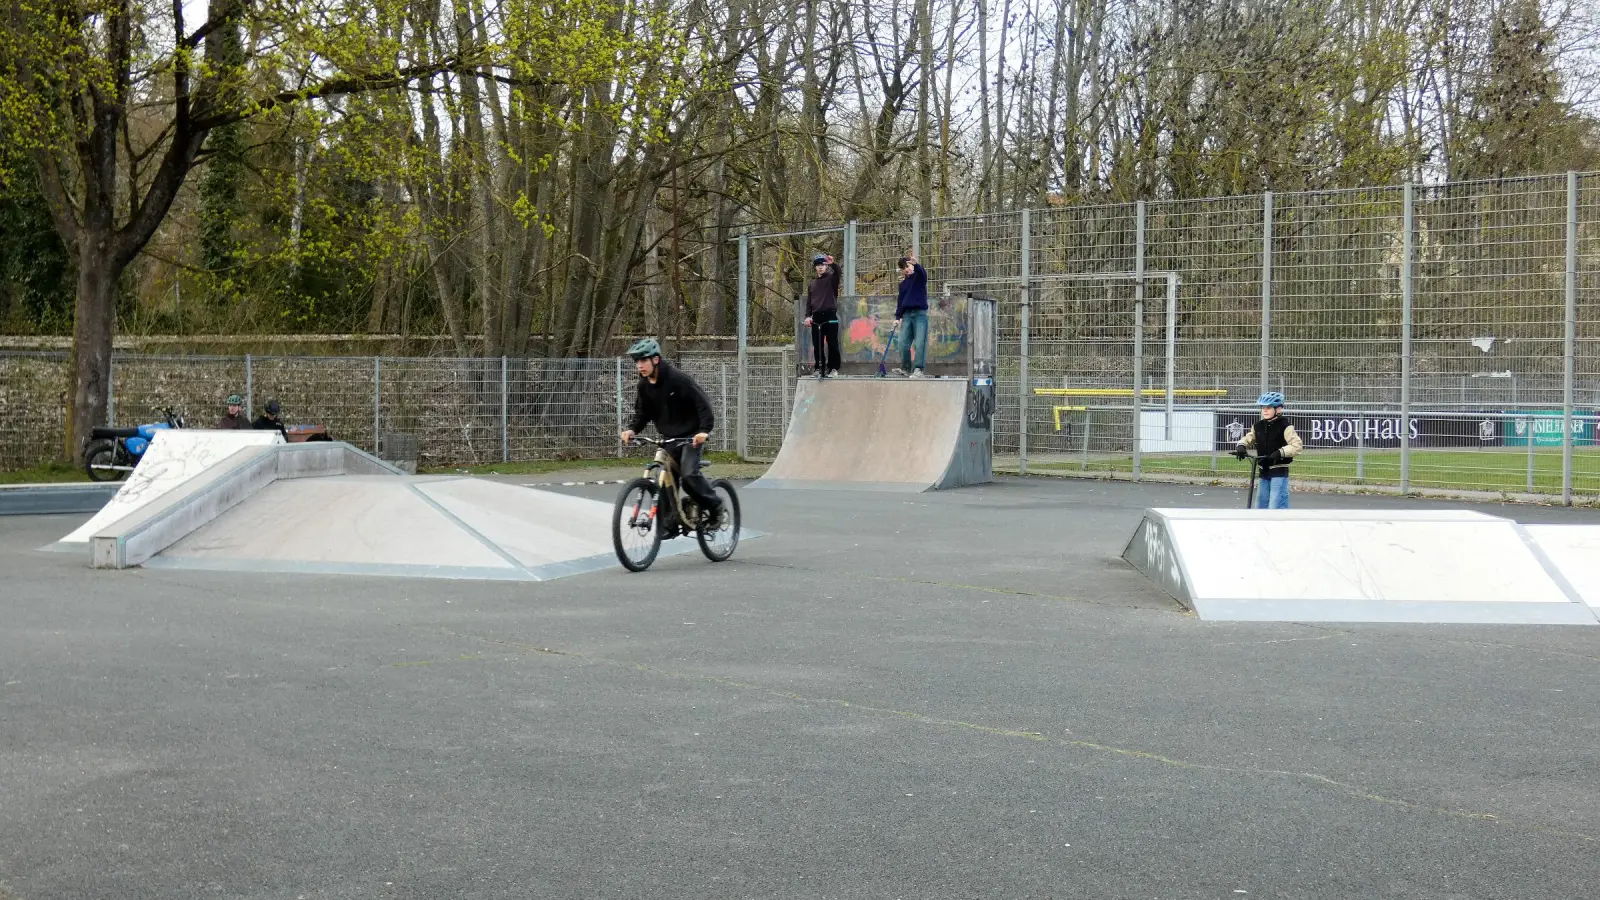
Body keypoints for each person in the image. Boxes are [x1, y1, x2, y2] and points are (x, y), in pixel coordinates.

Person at [618, 338, 724, 528]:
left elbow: (703, 404)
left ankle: (715, 506)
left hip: (691, 435)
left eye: (643, 360)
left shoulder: (677, 379)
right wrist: (632, 429)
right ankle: (671, 522)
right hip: (669, 437)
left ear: (656, 360)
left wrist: (703, 431)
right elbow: (642, 413)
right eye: (637, 362)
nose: (639, 366)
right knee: (665, 478)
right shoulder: (644, 386)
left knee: (689, 475)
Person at [1233, 391, 1303, 509]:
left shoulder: (1285, 426)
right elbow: (1249, 437)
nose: (1265, 410)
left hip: (1279, 470)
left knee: (1276, 505)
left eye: (1269, 407)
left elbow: (1297, 445)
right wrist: (1241, 446)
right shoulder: (1258, 426)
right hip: (1263, 471)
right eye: (1263, 407)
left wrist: (1280, 452)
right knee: (1261, 505)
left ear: (1279, 409)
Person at [892, 250, 929, 378]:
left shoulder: (919, 278)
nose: (906, 269)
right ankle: (906, 368)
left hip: (919, 315)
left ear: (912, 266)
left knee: (919, 342)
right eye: (903, 268)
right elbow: (900, 301)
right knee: (902, 342)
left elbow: (923, 275)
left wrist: (916, 264)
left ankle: (918, 369)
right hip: (907, 315)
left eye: (907, 266)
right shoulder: (902, 284)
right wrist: (898, 317)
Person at [804, 253, 842, 377]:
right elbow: (809, 301)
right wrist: (808, 316)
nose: (820, 267)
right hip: (817, 316)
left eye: (823, 265)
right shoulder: (812, 283)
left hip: (830, 315)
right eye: (818, 265)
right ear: (815, 268)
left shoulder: (831, 279)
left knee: (832, 343)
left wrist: (833, 264)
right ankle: (819, 368)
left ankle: (833, 368)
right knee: (817, 344)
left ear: (826, 267)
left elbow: (838, 273)